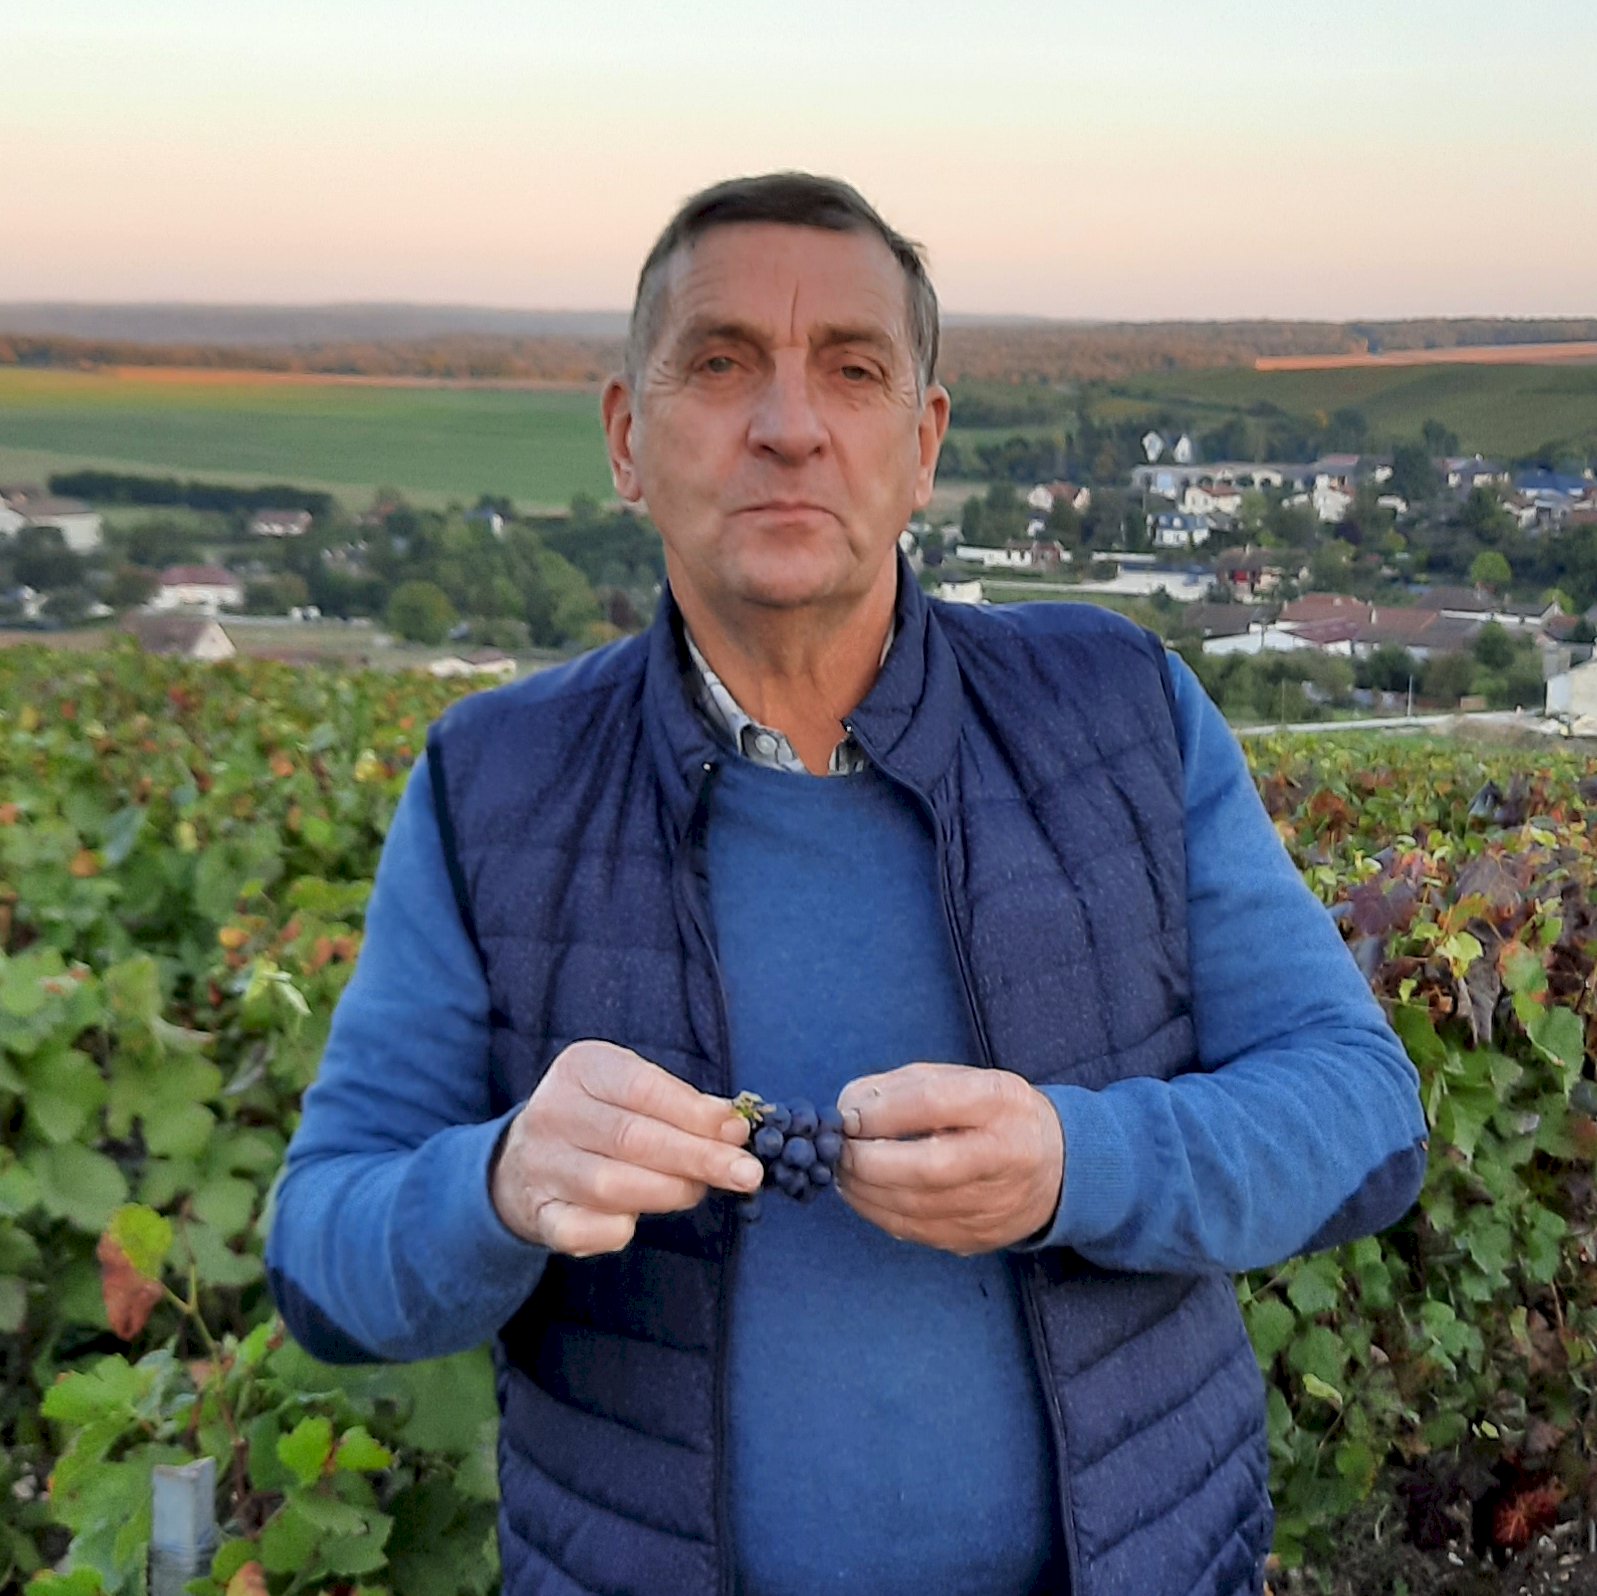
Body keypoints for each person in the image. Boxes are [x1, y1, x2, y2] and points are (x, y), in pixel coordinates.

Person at [267, 173, 1428, 1596]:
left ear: (921, 445)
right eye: (719, 363)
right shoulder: (490, 783)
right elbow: (322, 1263)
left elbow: (1362, 1117)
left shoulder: (1121, 710)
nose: (789, 425)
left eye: (853, 370)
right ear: (627, 438)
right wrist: (499, 1182)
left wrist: (1079, 1162)